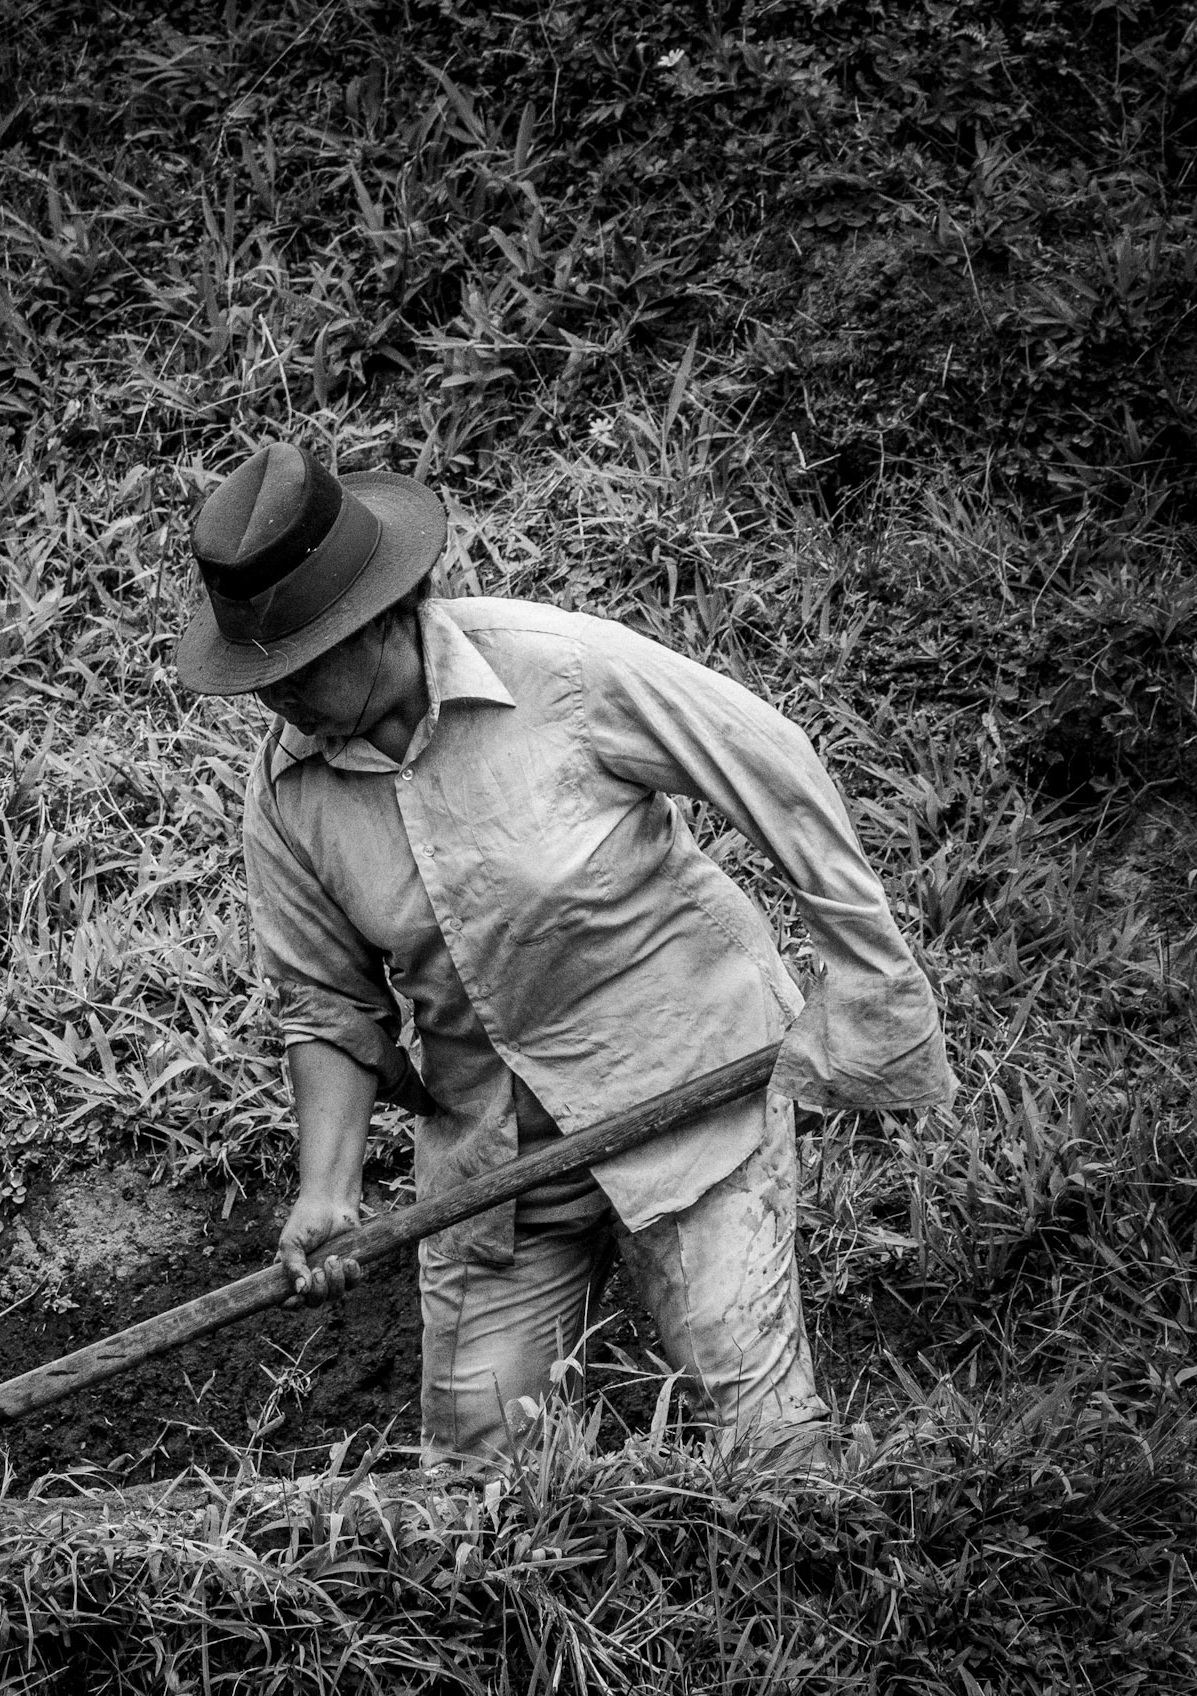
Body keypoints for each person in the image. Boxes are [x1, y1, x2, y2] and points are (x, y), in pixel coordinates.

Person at [174, 443, 953, 1468]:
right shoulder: (288, 796)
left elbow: (775, 766)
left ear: (375, 617)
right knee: (477, 1471)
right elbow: (327, 1002)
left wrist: (869, 977)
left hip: (685, 1080)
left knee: (764, 1442)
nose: (276, 701)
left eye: (295, 668)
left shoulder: (560, 669)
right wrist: (327, 1188)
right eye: (259, 678)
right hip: (496, 1151)